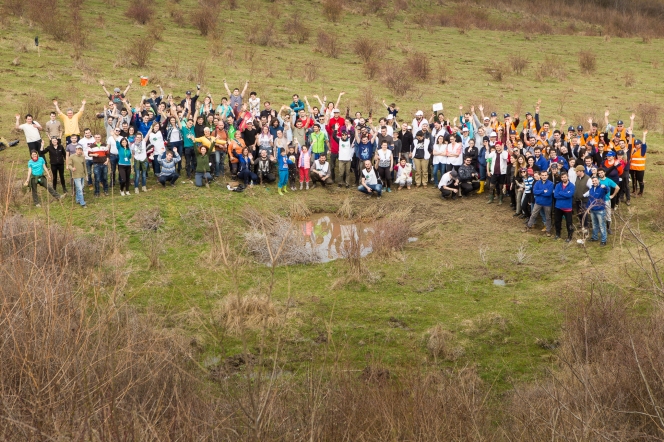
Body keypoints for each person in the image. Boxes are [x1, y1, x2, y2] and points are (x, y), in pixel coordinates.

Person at [525, 169, 553, 236]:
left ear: (548, 176)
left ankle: (548, 230)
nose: (544, 176)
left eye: (545, 175)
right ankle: (528, 226)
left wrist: (539, 192)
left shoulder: (551, 183)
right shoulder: (537, 183)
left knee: (548, 217)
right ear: (540, 176)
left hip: (547, 203)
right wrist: (543, 191)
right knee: (533, 215)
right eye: (542, 175)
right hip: (538, 202)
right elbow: (535, 192)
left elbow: (548, 194)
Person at [585, 176, 609, 246]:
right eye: (593, 181)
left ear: (598, 181)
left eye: (595, 181)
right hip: (592, 210)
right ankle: (594, 237)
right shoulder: (591, 189)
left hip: (600, 210)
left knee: (602, 225)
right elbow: (590, 199)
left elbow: (607, 190)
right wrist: (588, 208)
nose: (594, 182)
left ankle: (604, 240)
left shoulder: (602, 188)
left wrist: (605, 187)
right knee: (594, 225)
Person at [553, 171, 575, 242]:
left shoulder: (572, 186)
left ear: (567, 177)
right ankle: (557, 234)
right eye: (562, 177)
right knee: (557, 221)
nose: (563, 178)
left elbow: (569, 195)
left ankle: (569, 236)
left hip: (567, 207)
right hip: (558, 206)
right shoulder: (558, 185)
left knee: (569, 222)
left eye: (565, 177)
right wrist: (565, 194)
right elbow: (555, 195)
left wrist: (560, 193)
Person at [630, 131, 647, 197]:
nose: (637, 145)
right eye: (636, 144)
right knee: (634, 180)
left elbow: (644, 145)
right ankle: (634, 191)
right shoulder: (633, 150)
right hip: (632, 169)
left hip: (640, 169)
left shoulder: (642, 151)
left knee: (640, 181)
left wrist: (644, 136)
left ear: (640, 144)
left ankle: (640, 192)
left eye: (638, 144)